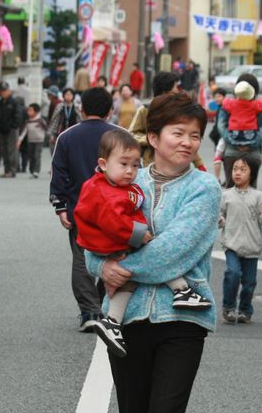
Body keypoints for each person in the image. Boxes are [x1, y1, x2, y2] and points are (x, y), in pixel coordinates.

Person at [86, 92, 221, 413]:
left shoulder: (204, 188)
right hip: (128, 320)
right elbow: (93, 233)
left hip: (183, 317)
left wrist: (123, 267)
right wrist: (98, 266)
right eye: (178, 133)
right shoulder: (124, 177)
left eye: (195, 135)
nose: (187, 142)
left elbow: (179, 249)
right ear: (153, 137)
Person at [75, 128, 212, 355]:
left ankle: (112, 321)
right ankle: (182, 290)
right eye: (124, 164)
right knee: (155, 250)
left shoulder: (111, 184)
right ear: (103, 163)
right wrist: (138, 234)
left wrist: (111, 269)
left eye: (135, 165)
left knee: (127, 279)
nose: (130, 171)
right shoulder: (106, 190)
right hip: (115, 240)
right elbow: (114, 221)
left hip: (108, 243)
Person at [49, 87, 117, 331]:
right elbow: (135, 172)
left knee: (82, 257)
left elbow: (59, 173)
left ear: (82, 109)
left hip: (80, 207)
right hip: (115, 208)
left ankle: (89, 311)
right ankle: (105, 303)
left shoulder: (67, 136)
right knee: (115, 254)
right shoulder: (120, 136)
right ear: (110, 110)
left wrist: (60, 205)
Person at [219, 154, 262, 325]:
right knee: (233, 273)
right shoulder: (226, 195)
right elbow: (219, 215)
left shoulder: (258, 196)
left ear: (252, 174)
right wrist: (220, 220)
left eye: (243, 170)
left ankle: (245, 310)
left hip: (252, 246)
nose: (238, 173)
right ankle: (228, 307)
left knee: (249, 283)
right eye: (235, 169)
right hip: (232, 244)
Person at [217, 72, 262, 181]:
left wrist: (233, 141)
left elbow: (221, 126)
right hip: (253, 153)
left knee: (231, 190)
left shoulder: (228, 105)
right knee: (251, 191)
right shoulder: (259, 106)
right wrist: (252, 143)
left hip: (232, 152)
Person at [221, 80, 262, 145]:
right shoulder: (254, 104)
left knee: (222, 143)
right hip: (250, 131)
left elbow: (224, 103)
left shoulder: (232, 104)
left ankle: (218, 154)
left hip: (234, 131)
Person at [0, 81, 25, 177]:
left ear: (8, 90)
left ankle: (12, 170)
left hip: (12, 130)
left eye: (4, 90)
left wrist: (13, 126)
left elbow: (18, 116)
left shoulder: (14, 102)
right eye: (1, 91)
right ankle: (6, 169)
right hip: (1, 130)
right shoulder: (0, 102)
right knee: (3, 150)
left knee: (11, 150)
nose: (3, 93)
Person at [17, 103, 48, 177]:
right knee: (31, 156)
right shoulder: (28, 121)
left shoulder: (40, 121)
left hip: (39, 140)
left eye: (31, 110)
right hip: (30, 140)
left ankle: (36, 171)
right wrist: (20, 139)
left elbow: (46, 129)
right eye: (28, 110)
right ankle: (32, 169)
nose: (28, 112)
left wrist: (49, 137)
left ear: (36, 112)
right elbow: (24, 131)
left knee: (37, 155)